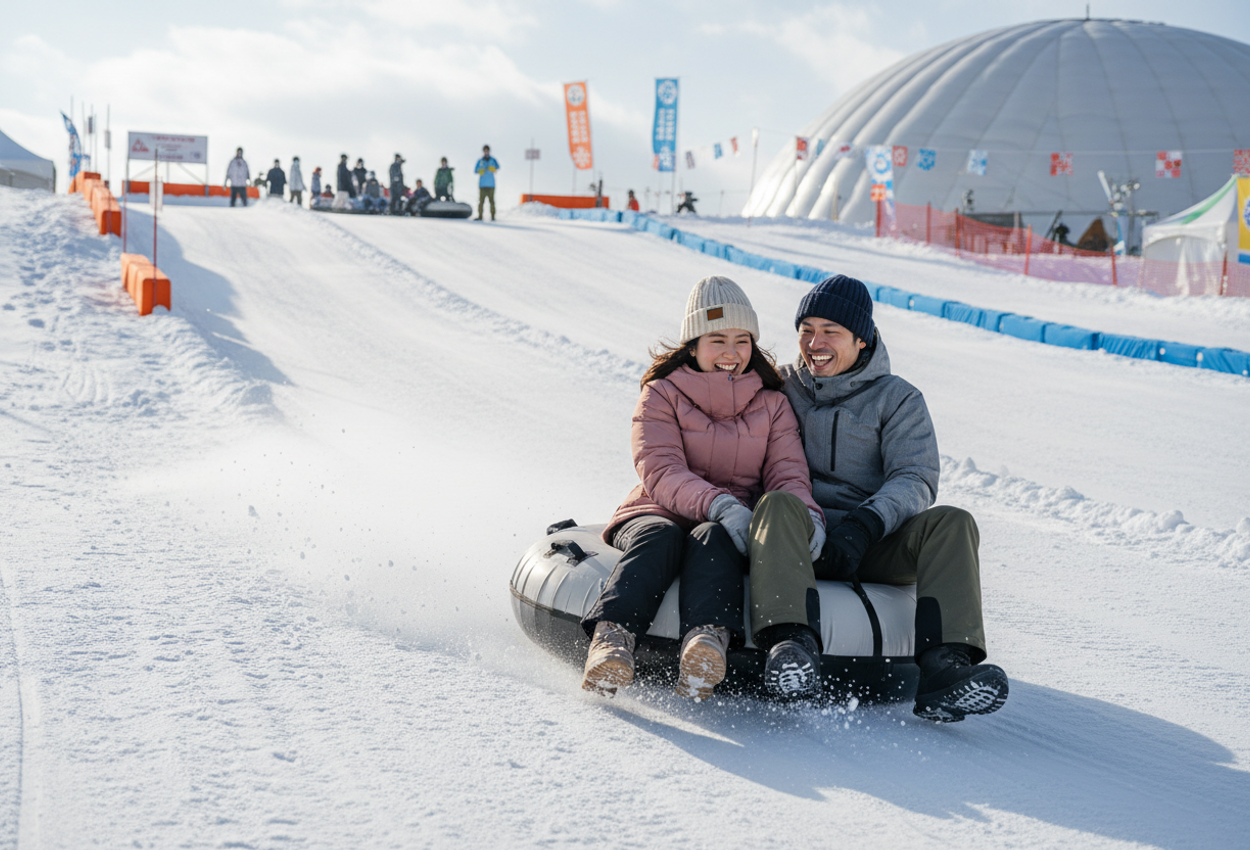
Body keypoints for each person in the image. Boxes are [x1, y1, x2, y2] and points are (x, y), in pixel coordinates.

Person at [753, 274, 1009, 721]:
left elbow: (916, 476)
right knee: (776, 504)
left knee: (953, 522)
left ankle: (945, 669)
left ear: (862, 339)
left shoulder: (898, 399)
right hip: (793, 535)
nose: (815, 342)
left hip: (869, 543)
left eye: (830, 331)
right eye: (806, 330)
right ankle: (791, 649)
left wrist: (865, 524)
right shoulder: (781, 385)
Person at [581, 276, 825, 701]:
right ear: (692, 345)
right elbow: (659, 468)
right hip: (658, 508)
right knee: (661, 537)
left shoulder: (772, 403)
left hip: (729, 522)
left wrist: (809, 521)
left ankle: (705, 647)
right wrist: (720, 503)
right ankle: (612, 641)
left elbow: (788, 475)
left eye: (741, 340)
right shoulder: (661, 394)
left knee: (714, 538)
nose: (731, 354)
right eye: (718, 340)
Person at [473, 144, 500, 221]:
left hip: (491, 184)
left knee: (492, 201)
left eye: (487, 150)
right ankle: (480, 216)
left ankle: (493, 216)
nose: (486, 152)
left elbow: (498, 167)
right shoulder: (480, 161)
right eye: (485, 151)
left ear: (489, 151)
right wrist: (480, 170)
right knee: (481, 201)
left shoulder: (493, 160)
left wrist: (493, 168)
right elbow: (475, 170)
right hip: (482, 184)